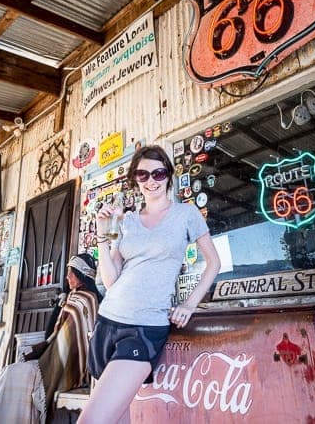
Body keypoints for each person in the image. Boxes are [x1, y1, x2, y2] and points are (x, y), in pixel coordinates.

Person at [78, 145, 220, 424]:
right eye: (143, 174)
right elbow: (111, 280)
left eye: (158, 172)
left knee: (91, 421)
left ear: (168, 174)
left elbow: (213, 263)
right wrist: (102, 235)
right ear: (135, 179)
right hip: (107, 321)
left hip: (144, 328)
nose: (151, 180)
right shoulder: (128, 221)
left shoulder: (186, 214)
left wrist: (189, 305)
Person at [0, 254, 101, 424]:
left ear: (81, 274)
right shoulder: (73, 297)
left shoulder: (83, 300)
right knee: (10, 372)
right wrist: (59, 305)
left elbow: (62, 340)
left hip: (68, 366)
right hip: (56, 358)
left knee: (14, 373)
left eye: (72, 273)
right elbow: (52, 333)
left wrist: (37, 351)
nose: (67, 277)